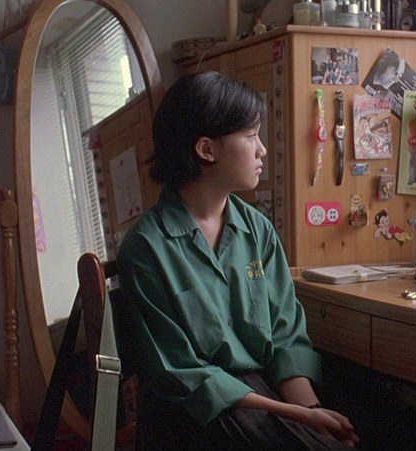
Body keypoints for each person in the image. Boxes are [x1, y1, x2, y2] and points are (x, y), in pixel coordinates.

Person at [115, 71, 360, 450]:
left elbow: (286, 337)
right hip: (194, 415)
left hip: (264, 399)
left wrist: (312, 412)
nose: (262, 150)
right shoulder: (146, 248)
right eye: (250, 136)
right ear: (206, 149)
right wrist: (300, 418)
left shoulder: (258, 230)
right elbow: (184, 374)